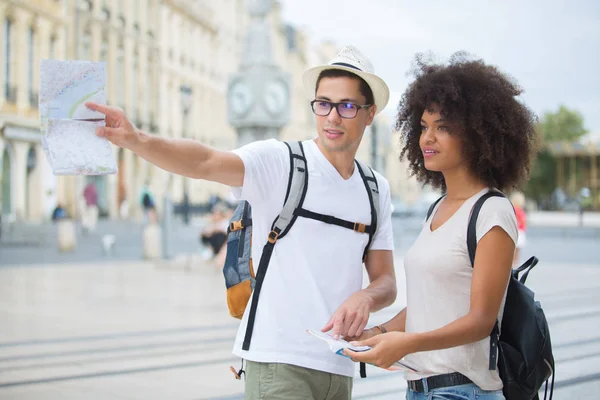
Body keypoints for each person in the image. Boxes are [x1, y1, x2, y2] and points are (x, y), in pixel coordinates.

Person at [85, 45, 398, 399]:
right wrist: (136, 139)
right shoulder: (281, 162)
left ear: (369, 114)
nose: (332, 117)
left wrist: (365, 298)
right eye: (323, 103)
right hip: (279, 363)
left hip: (339, 367)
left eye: (347, 106)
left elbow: (386, 281)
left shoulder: (375, 189)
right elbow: (204, 161)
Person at [345, 54, 537, 400]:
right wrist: (377, 333)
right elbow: (427, 306)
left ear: (479, 134)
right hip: (420, 390)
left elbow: (481, 320)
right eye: (423, 126)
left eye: (443, 127)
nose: (427, 138)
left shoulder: (492, 211)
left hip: (462, 391)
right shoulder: (436, 210)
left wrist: (408, 344)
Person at [510, 191, 527, 266]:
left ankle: (513, 262)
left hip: (512, 231)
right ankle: (515, 262)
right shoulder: (520, 211)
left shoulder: (512, 209)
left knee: (512, 249)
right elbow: (523, 222)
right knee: (517, 250)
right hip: (519, 231)